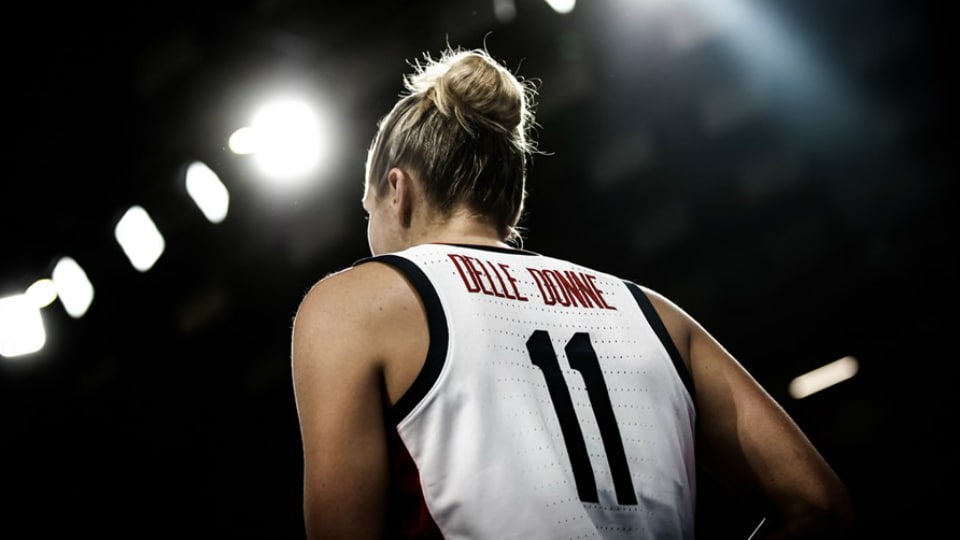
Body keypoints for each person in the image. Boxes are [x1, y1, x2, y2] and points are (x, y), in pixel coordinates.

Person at [290, 45, 854, 539]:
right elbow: (819, 504)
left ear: (398, 191)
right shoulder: (654, 314)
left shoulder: (354, 307)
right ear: (510, 204)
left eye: (368, 212)